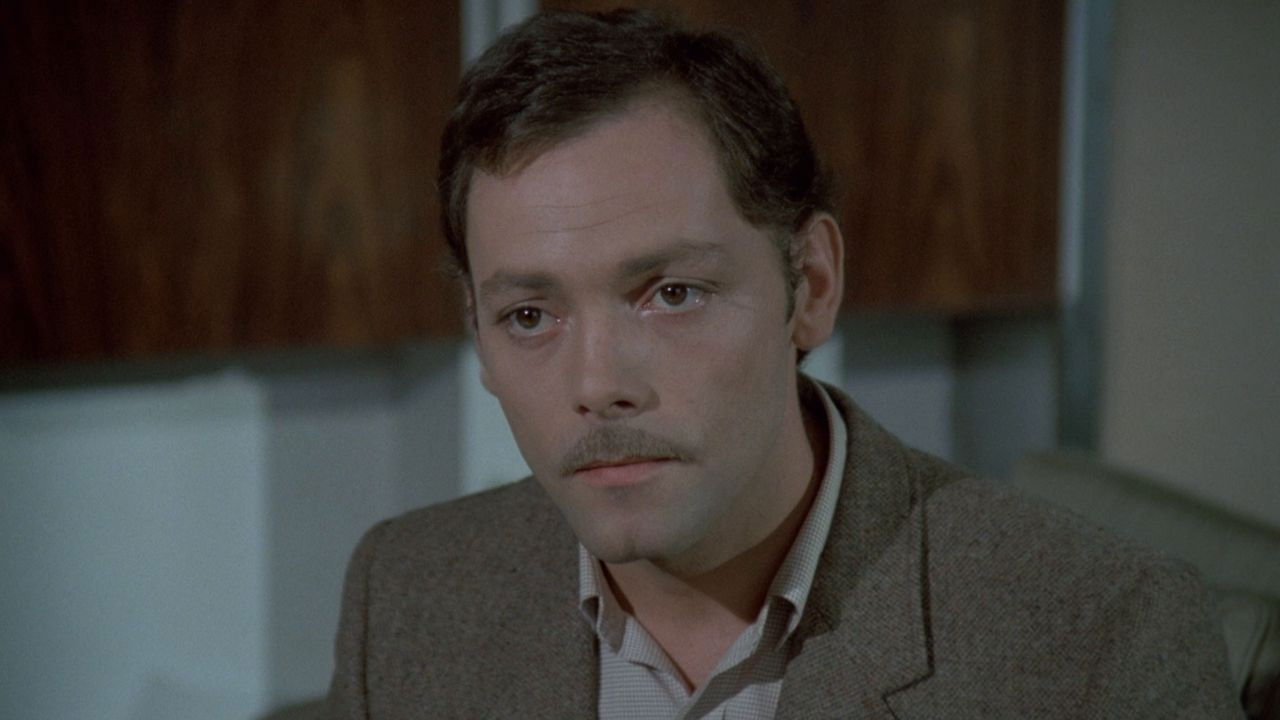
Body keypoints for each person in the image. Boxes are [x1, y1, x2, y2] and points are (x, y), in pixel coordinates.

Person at [321, 9, 1238, 718]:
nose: (597, 384)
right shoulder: (406, 593)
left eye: (671, 293)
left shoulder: (1099, 634)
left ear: (812, 286)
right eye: (529, 316)